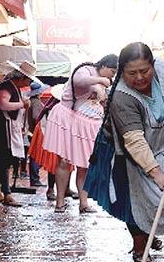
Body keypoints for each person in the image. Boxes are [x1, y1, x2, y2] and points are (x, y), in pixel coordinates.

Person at [84, 42, 164, 262]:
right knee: (133, 201)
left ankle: (148, 233)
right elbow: (134, 141)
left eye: (145, 70)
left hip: (162, 145)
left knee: (158, 199)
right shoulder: (122, 97)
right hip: (126, 152)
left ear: (153, 65)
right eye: (132, 73)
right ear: (121, 72)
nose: (140, 78)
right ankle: (140, 248)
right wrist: (156, 173)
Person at [43, 55, 118, 214]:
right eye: (111, 71)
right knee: (64, 161)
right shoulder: (85, 70)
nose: (112, 75)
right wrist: (100, 81)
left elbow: (100, 100)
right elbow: (79, 81)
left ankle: (84, 203)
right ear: (103, 65)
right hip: (72, 120)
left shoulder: (103, 81)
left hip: (91, 124)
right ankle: (60, 202)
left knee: (85, 164)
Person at [0, 61, 34, 207]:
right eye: (29, 79)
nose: (29, 82)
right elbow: (3, 104)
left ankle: (2, 192)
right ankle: (2, 192)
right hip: (2, 129)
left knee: (5, 161)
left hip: (8, 129)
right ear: (21, 78)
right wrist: (23, 104)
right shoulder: (7, 87)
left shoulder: (15, 88)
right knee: (2, 160)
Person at [25, 81, 48, 187]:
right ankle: (35, 179)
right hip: (36, 131)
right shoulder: (36, 103)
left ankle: (35, 178)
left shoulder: (31, 101)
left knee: (35, 155)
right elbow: (36, 117)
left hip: (32, 131)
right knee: (36, 156)